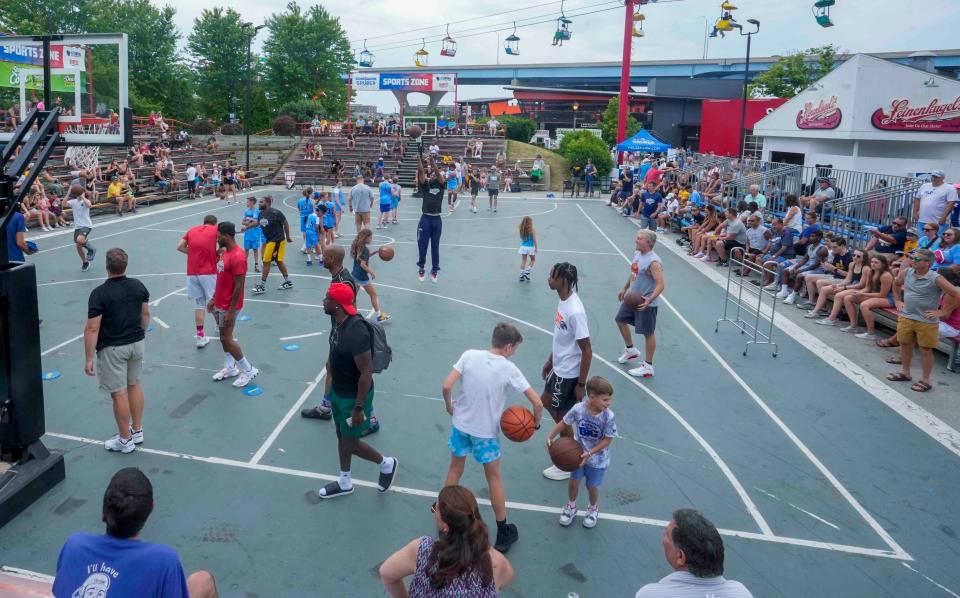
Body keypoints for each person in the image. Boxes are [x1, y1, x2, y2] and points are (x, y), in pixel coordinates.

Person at [441, 323, 543, 553]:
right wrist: (534, 425)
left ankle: (443, 520)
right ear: (508, 347)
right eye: (515, 348)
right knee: (494, 479)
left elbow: (446, 385)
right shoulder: (509, 369)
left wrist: (449, 406)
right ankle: (503, 532)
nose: (514, 352)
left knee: (455, 470)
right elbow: (537, 403)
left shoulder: (469, 355)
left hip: (461, 425)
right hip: (486, 434)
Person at [53, 468, 219, 598]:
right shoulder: (163, 560)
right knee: (203, 580)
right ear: (151, 508)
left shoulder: (74, 545)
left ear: (104, 513)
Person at [316, 282, 398, 498]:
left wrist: (360, 407)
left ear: (338, 305)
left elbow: (366, 372)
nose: (324, 301)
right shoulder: (337, 321)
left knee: (349, 441)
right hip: (339, 390)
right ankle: (345, 481)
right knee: (340, 434)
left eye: (327, 299)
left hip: (354, 396)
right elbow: (334, 346)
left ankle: (386, 463)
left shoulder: (356, 332)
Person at [379, 485, 514, 597]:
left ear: (445, 527)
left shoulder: (423, 550)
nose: (434, 511)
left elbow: (386, 573)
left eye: (434, 508)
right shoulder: (495, 562)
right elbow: (507, 578)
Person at [84, 248, 150, 453]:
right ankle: (137, 431)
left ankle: (125, 440)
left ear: (107, 267)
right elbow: (145, 314)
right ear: (125, 266)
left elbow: (92, 328)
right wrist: (140, 334)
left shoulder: (99, 294)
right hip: (137, 344)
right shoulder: (138, 286)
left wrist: (88, 358)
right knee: (134, 384)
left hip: (113, 348)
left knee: (119, 394)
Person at [541, 262, 593, 481]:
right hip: (559, 367)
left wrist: (581, 384)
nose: (548, 278)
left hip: (569, 374)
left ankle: (568, 462)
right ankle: (571, 441)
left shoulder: (574, 311)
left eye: (552, 275)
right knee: (546, 401)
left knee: (563, 416)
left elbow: (587, 350)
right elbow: (562, 338)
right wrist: (550, 360)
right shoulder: (563, 302)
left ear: (562, 280)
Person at [546, 376, 616, 529]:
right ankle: (571, 506)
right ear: (592, 397)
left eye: (609, 400)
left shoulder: (608, 417)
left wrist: (590, 453)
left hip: (597, 459)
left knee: (592, 487)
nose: (608, 403)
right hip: (577, 455)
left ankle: (593, 508)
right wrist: (550, 435)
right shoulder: (579, 409)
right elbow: (564, 422)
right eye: (605, 400)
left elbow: (607, 440)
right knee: (573, 483)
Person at [634, 509, 753, 597]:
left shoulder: (650, 594)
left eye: (666, 535)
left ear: (680, 557)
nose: (663, 537)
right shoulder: (741, 593)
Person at [888, 249, 960, 392]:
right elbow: (896, 284)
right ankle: (905, 372)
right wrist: (897, 301)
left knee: (925, 349)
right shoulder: (906, 272)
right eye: (913, 258)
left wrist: (944, 311)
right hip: (907, 316)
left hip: (926, 320)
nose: (912, 261)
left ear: (927, 263)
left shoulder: (936, 278)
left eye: (916, 259)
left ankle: (926, 380)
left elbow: (957, 294)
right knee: (905, 344)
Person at [210, 222, 259, 388]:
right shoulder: (225, 253)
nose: (216, 238)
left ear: (226, 235)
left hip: (228, 306)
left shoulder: (238, 257)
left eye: (218, 235)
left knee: (226, 338)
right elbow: (222, 279)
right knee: (224, 337)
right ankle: (230, 368)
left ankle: (248, 369)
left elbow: (239, 285)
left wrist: (231, 310)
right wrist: (213, 299)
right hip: (220, 303)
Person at [616, 230, 665, 377]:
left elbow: (660, 284)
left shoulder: (654, 262)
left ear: (648, 243)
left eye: (639, 239)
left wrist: (650, 299)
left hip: (645, 302)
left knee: (648, 333)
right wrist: (625, 288)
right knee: (620, 319)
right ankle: (631, 350)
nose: (635, 240)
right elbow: (633, 273)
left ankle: (648, 366)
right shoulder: (637, 254)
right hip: (632, 296)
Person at [178, 215, 219, 348]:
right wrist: (217, 254)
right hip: (208, 272)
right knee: (215, 301)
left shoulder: (192, 230)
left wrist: (194, 254)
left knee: (199, 304)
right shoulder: (215, 230)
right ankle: (221, 327)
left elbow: (179, 246)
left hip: (192, 273)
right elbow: (224, 246)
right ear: (214, 224)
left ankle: (200, 336)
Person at [251, 196, 293, 295]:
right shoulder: (261, 214)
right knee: (278, 261)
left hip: (277, 240)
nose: (259, 203)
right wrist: (247, 227)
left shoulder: (276, 213)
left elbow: (285, 223)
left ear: (268, 203)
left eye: (261, 202)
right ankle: (287, 281)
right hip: (271, 240)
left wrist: (288, 236)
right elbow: (257, 223)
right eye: (259, 202)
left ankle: (262, 286)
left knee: (266, 261)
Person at [416, 155, 445, 283]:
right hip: (426, 219)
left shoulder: (441, 186)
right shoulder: (425, 186)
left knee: (435, 246)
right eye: (432, 174)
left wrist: (433, 164)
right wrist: (419, 161)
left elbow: (439, 176)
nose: (434, 175)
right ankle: (421, 267)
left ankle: (434, 270)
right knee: (422, 246)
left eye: (436, 174)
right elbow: (421, 173)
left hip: (436, 220)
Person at [351, 229, 390, 323]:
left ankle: (352, 315)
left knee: (353, 297)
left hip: (354, 274)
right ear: (366, 238)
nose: (372, 239)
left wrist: (376, 252)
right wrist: (372, 272)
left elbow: (364, 257)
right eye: (370, 237)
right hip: (362, 277)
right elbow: (363, 265)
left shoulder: (358, 246)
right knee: (373, 294)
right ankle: (379, 316)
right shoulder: (364, 249)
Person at [914, 170, 958, 236]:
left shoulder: (949, 188)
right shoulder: (924, 186)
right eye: (933, 176)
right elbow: (917, 199)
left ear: (942, 178)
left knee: (937, 241)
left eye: (937, 177)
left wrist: (944, 217)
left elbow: (951, 203)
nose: (934, 178)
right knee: (922, 240)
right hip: (923, 220)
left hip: (938, 221)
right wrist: (915, 212)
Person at [66, 184, 97, 272]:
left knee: (79, 240)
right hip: (77, 227)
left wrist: (82, 196)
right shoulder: (73, 202)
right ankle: (85, 262)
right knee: (78, 246)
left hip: (86, 225)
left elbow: (89, 205)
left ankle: (91, 249)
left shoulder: (85, 201)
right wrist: (68, 193)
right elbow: (63, 204)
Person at [241, 196, 262, 273]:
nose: (246, 203)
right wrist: (250, 221)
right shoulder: (246, 211)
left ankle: (256, 265)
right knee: (246, 249)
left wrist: (249, 220)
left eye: (247, 202)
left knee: (255, 249)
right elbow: (243, 222)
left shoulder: (257, 211)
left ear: (252, 202)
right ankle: (244, 265)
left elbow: (256, 222)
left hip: (255, 233)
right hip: (247, 233)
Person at [517, 216, 538, 282]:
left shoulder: (521, 229)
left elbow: (522, 238)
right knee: (533, 260)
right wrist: (536, 247)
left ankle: (521, 275)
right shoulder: (532, 230)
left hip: (523, 247)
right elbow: (534, 239)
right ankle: (527, 271)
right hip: (530, 247)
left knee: (523, 260)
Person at [297, 189, 316, 253]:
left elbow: (299, 208)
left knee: (304, 231)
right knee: (312, 231)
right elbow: (314, 210)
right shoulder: (312, 201)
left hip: (303, 217)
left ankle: (306, 244)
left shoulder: (300, 200)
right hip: (310, 217)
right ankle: (312, 246)